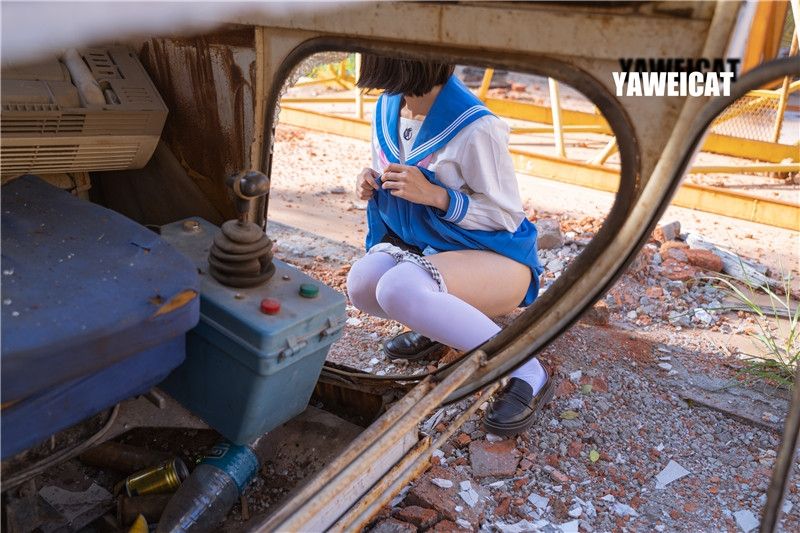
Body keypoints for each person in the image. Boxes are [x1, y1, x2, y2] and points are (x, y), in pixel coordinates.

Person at [346, 54, 554, 436]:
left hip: (500, 259)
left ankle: (526, 369)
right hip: (433, 250)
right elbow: (392, 175)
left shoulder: (477, 127)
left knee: (398, 290)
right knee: (362, 284)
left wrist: (438, 197)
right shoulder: (388, 105)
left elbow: (507, 217)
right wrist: (369, 181)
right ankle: (440, 325)